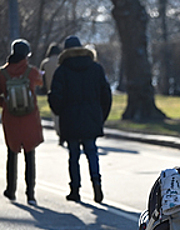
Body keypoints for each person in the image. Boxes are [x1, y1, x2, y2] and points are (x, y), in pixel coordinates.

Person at [48, 35, 112, 203]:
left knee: (74, 155)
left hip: (70, 118)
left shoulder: (61, 70)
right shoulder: (96, 68)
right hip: (91, 116)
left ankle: (75, 189)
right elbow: (106, 95)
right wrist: (101, 116)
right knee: (92, 152)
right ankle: (97, 186)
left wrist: (59, 113)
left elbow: (55, 97)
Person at [0, 39, 44, 206]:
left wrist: (5, 103)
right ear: (27, 54)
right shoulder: (31, 72)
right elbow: (40, 82)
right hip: (29, 118)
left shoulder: (2, 73)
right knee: (29, 154)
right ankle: (30, 194)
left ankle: (11, 190)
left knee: (12, 153)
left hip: (11, 118)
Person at [40, 43, 62, 144]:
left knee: (55, 114)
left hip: (51, 90)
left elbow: (42, 79)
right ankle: (64, 133)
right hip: (63, 90)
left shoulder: (45, 63)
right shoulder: (62, 61)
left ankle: (59, 132)